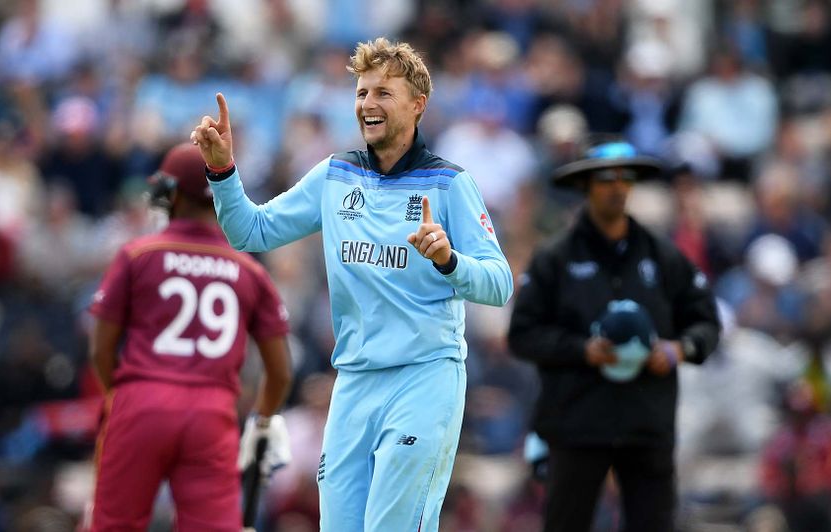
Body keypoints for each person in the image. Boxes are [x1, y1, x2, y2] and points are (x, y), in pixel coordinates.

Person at [192, 37, 513, 531]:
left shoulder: (450, 184)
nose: (368, 103)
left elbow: (499, 284)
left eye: (383, 92)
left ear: (418, 104)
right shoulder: (336, 175)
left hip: (423, 380)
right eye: (362, 93)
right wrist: (222, 170)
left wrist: (449, 260)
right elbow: (250, 231)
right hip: (354, 383)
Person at [507, 139, 721, 532]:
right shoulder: (555, 259)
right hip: (577, 421)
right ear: (586, 186)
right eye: (606, 179)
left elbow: (706, 322)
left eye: (625, 178)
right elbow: (522, 335)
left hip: (647, 423)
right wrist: (581, 350)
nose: (617, 187)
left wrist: (678, 350)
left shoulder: (663, 256)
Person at [87, 143, 293, 531]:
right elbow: (280, 371)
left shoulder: (137, 255)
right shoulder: (249, 271)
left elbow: (101, 349)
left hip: (141, 400)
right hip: (211, 413)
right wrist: (262, 421)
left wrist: (127, 398)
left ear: (171, 193)